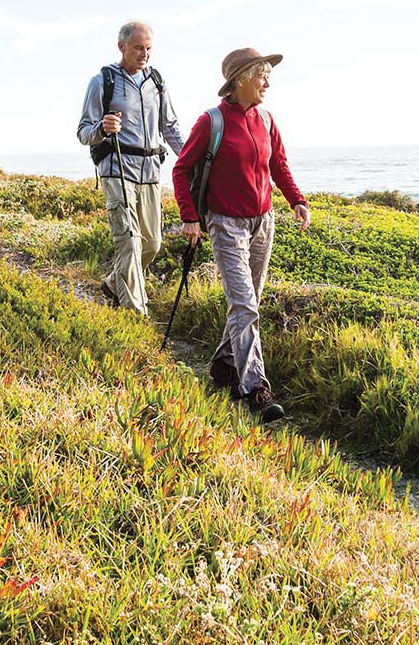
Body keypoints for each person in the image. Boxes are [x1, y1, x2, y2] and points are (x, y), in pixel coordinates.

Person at [171, 47, 310, 422]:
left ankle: (222, 364)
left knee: (248, 304)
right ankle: (256, 389)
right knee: (245, 305)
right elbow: (181, 171)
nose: (268, 82)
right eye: (262, 75)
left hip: (263, 222)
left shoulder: (266, 119)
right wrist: (190, 217)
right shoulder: (211, 121)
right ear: (241, 80)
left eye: (268, 75)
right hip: (226, 224)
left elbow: (278, 165)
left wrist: (296, 200)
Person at [77, 21, 185, 316]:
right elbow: (84, 131)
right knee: (130, 242)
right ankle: (136, 313)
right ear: (122, 46)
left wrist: (190, 159)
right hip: (117, 169)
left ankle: (114, 283)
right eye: (139, 47)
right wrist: (102, 127)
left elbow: (170, 127)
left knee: (152, 243)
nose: (144, 53)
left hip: (150, 172)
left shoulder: (157, 82)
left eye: (148, 48)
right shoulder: (103, 81)